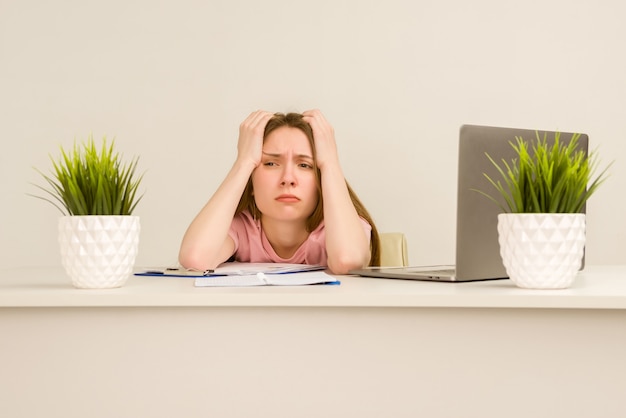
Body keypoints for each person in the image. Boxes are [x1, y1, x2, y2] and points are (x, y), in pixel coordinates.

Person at [178, 109, 380, 275]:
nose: (288, 179)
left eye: (304, 165)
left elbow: (348, 261)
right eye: (271, 163)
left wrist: (330, 162)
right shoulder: (240, 228)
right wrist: (243, 161)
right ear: (251, 182)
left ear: (322, 181)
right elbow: (195, 260)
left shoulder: (343, 226)